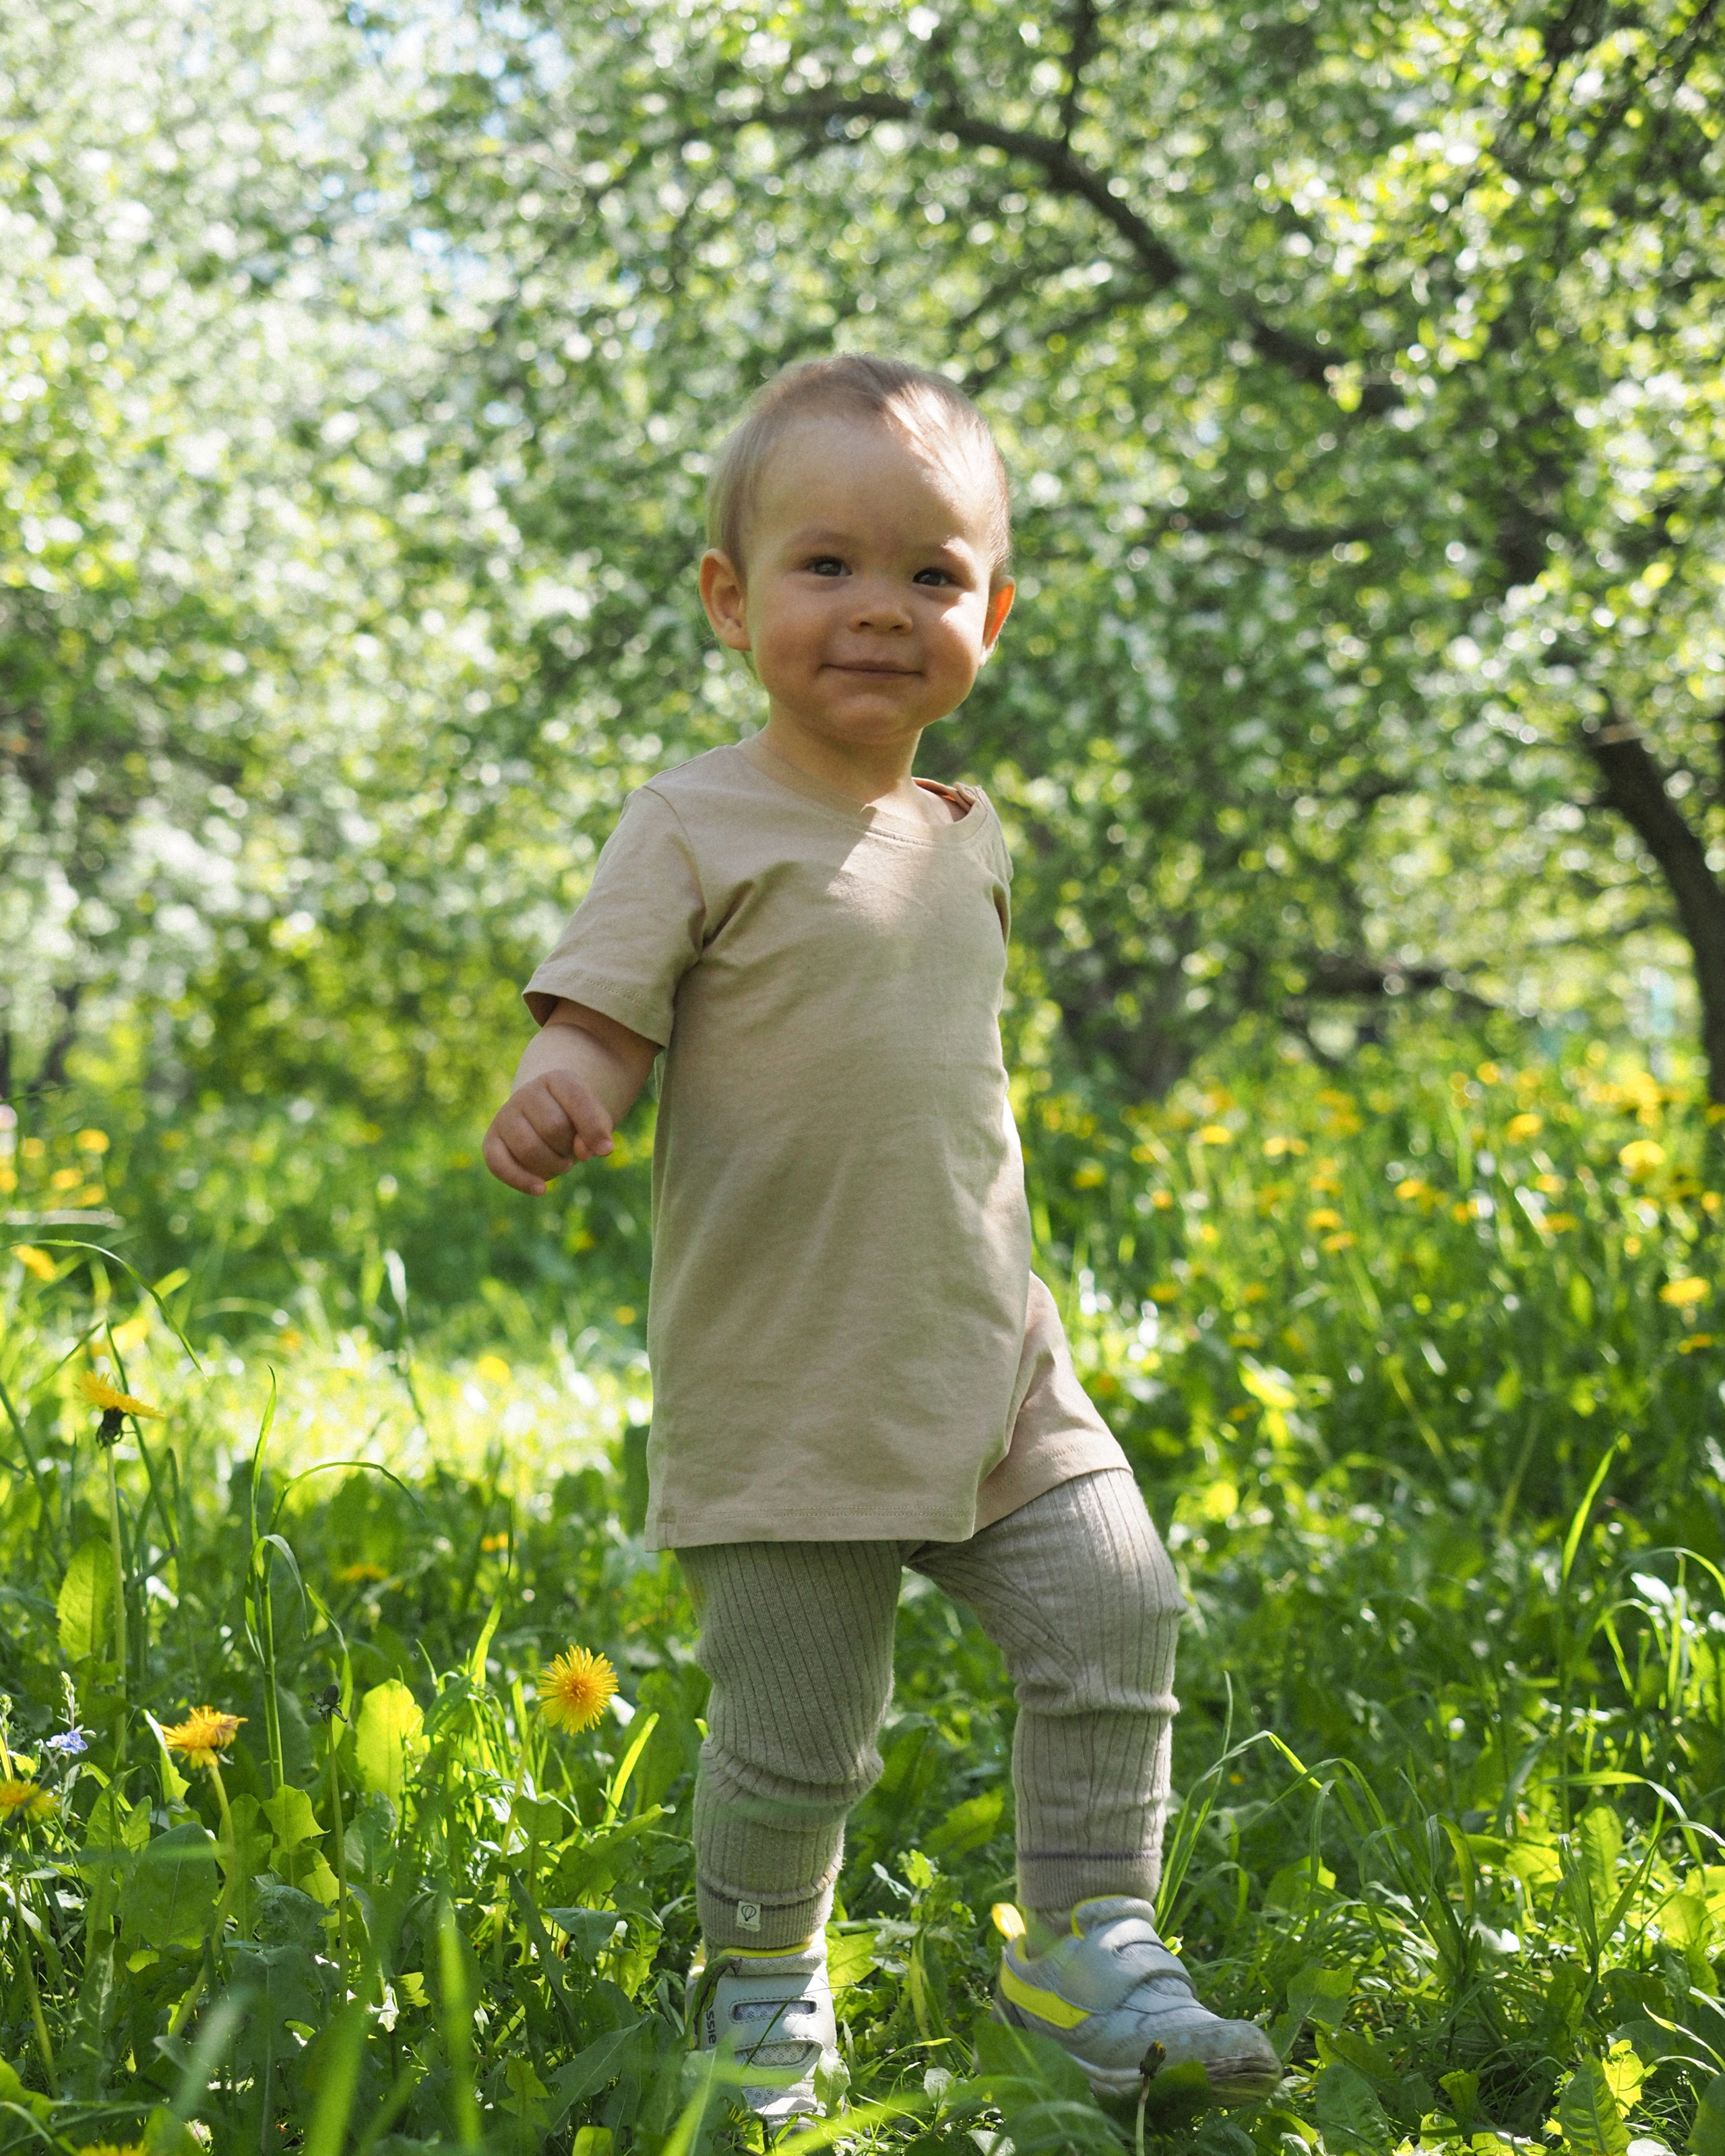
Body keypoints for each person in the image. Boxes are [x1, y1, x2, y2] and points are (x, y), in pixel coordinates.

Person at [482, 355, 1280, 2119]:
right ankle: (761, 1991)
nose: (879, 609)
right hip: (785, 1375)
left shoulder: (968, 840)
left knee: (1116, 1606)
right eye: (826, 565)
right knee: (796, 1741)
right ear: (729, 599)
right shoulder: (695, 820)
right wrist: (566, 1082)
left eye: (931, 574)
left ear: (992, 614)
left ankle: (1090, 1953)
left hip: (990, 1356)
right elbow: (603, 1013)